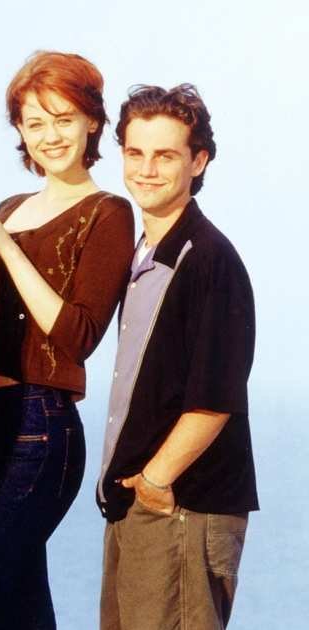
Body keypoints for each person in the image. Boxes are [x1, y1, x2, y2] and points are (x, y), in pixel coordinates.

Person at [0, 51, 135, 629]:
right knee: (8, 589)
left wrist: (0, 241)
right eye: (35, 122)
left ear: (92, 121)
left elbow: (78, 335)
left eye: (63, 118)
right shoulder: (11, 207)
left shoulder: (108, 212)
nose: (50, 136)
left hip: (41, 420)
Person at [98, 84, 256, 630]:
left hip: (180, 508)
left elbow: (215, 399)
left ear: (198, 161)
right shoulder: (146, 255)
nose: (146, 169)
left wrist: (155, 482)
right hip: (142, 508)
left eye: (165, 155)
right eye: (135, 153)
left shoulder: (210, 260)